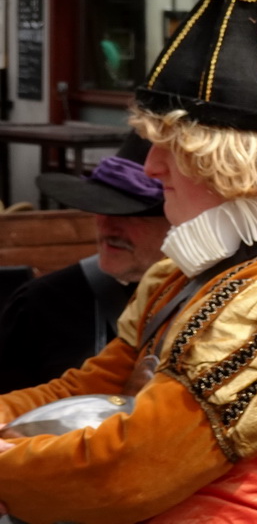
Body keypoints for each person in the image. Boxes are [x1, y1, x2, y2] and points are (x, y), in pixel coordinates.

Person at [0, 0, 257, 523]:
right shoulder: (190, 270)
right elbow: (96, 386)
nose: (152, 168)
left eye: (173, 149)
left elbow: (137, 468)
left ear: (232, 165)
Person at [0, 131, 169, 392]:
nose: (107, 224)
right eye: (101, 207)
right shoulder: (41, 305)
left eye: (132, 214)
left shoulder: (217, 299)